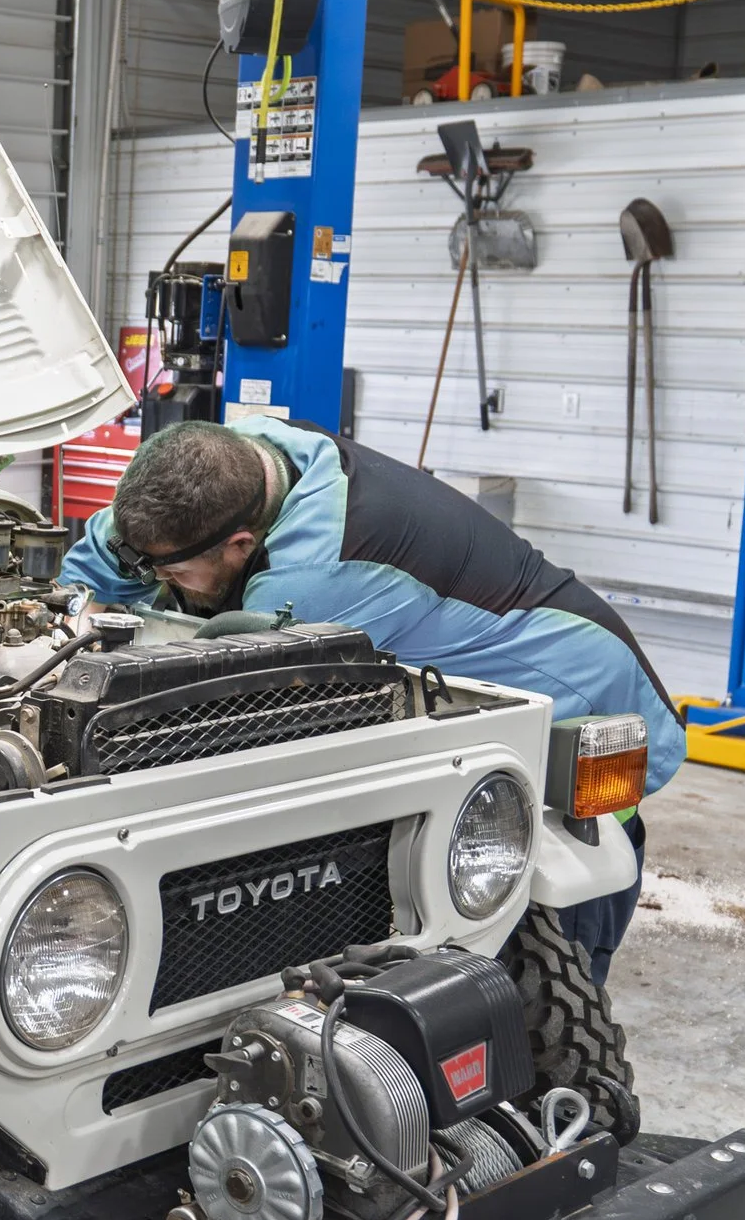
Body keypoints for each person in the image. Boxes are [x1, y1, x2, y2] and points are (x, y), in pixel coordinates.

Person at [59, 416, 683, 985]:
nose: (162, 582)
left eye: (173, 574)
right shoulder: (239, 456)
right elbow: (99, 560)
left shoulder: (321, 576)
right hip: (460, 667)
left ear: (242, 545)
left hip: (577, 690)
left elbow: (238, 693)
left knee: (530, 934)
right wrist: (72, 607)